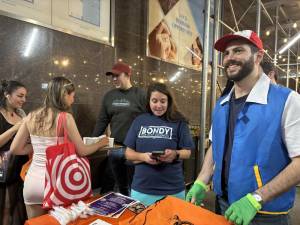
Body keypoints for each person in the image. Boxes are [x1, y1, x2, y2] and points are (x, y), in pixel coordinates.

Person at [186, 30, 300, 225]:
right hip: (223, 205)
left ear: (258, 56)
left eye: (238, 51)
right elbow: (216, 146)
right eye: (227, 53)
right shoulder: (222, 105)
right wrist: (201, 180)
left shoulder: (288, 100)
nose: (230, 58)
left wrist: (257, 198)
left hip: (265, 214)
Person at [10, 77, 109, 219]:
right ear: (64, 95)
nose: (73, 100)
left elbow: (15, 149)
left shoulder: (31, 116)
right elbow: (82, 151)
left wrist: (38, 147)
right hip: (57, 184)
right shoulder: (65, 118)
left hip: (32, 183)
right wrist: (101, 142)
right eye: (72, 96)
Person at [124, 82, 194, 206]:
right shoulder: (139, 120)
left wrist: (175, 154)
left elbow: (187, 152)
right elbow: (128, 153)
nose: (158, 105)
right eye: (154, 101)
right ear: (149, 101)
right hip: (141, 190)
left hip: (173, 191)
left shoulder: (179, 122)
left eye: (163, 101)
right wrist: (144, 157)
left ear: (169, 102)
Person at [93, 62, 146, 196]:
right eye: (112, 76)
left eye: (117, 76)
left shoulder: (141, 95)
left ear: (128, 75)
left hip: (135, 148)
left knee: (133, 184)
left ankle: (136, 209)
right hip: (115, 147)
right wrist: (93, 140)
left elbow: (150, 120)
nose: (114, 79)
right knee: (116, 183)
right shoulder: (109, 96)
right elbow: (102, 120)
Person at [0, 80, 27, 225]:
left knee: (17, 205)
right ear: (7, 95)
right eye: (20, 96)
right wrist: (15, 128)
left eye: (25, 96)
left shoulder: (21, 113)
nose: (24, 100)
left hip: (20, 165)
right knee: (5, 206)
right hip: (3, 167)